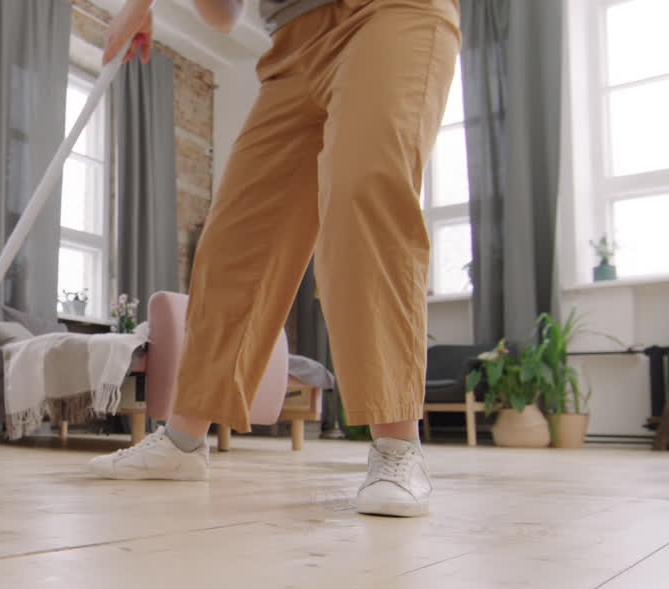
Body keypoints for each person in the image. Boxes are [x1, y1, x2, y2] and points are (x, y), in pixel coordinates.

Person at [90, 0, 460, 517]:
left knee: (362, 194)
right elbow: (223, 16)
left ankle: (398, 448)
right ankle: (183, 442)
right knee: (234, 241)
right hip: (290, 46)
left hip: (389, 13)